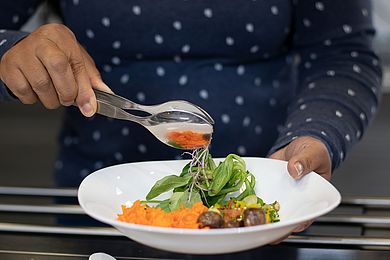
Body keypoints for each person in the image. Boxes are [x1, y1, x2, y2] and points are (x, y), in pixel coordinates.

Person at [0, 1, 382, 231]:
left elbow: (343, 54)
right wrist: (11, 50)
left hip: (264, 205)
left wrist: (317, 134)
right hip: (102, 210)